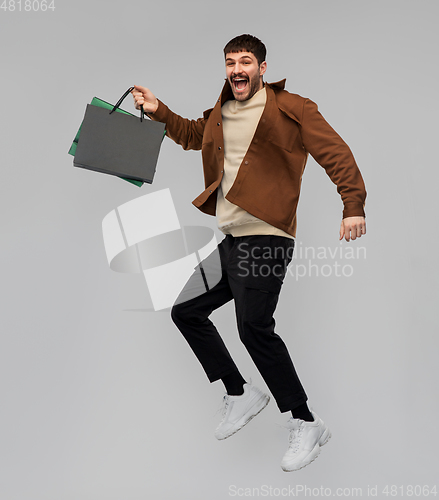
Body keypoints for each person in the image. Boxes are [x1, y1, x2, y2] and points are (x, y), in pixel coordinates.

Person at [131, 34, 366, 472]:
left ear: (261, 67)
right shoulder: (222, 112)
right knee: (186, 310)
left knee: (253, 327)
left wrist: (352, 205)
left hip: (268, 236)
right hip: (235, 238)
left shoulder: (292, 107)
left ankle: (305, 422)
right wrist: (158, 110)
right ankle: (240, 393)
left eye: (245, 61)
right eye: (229, 62)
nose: (236, 69)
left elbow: (335, 153)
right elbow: (190, 135)